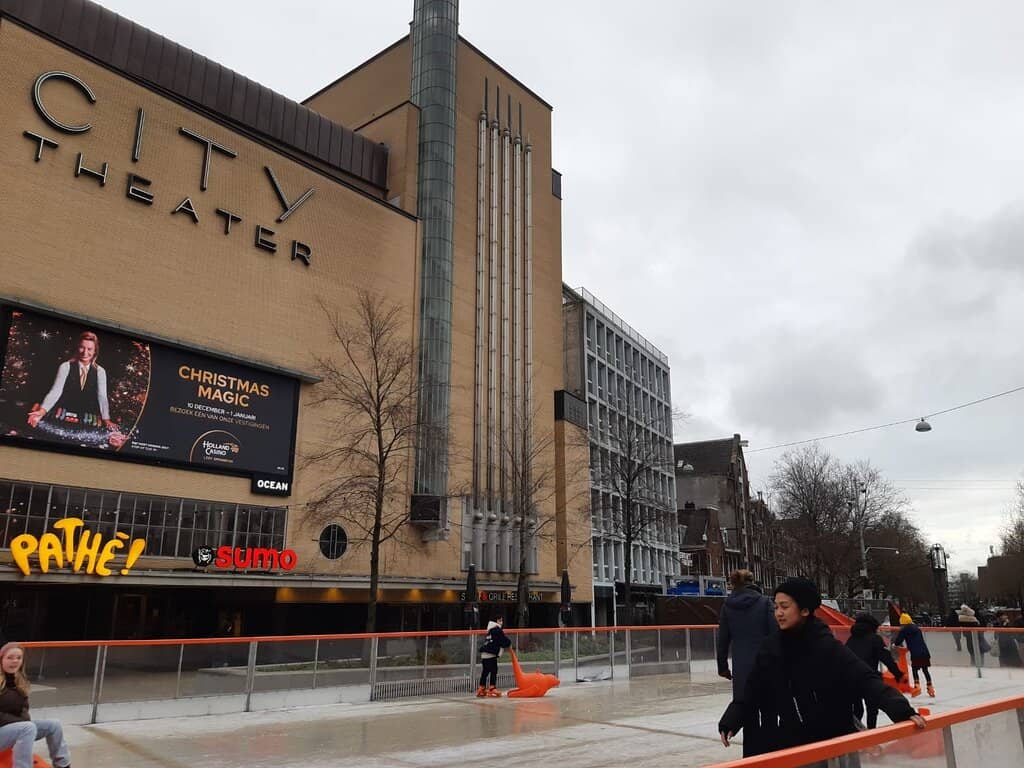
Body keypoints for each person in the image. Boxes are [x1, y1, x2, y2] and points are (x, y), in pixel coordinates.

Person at [718, 577, 924, 759]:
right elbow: (752, 689)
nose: (778, 613)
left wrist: (900, 710)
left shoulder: (825, 645)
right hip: (793, 741)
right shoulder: (771, 648)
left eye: (785, 607)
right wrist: (732, 719)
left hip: (834, 740)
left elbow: (864, 678)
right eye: (776, 607)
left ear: (805, 610)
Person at [26, 331, 123, 448]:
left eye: (89, 349)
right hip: (62, 411)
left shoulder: (100, 371)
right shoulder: (65, 366)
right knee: (35, 422)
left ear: (95, 351)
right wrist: (42, 411)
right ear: (77, 348)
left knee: (111, 436)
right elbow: (56, 391)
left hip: (86, 415)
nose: (85, 352)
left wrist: (106, 419)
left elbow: (102, 396)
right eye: (82, 347)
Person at [0, 642, 71, 768]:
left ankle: (62, 765)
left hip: (15, 729)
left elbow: (24, 710)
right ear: (1, 660)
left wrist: (22, 723)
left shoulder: (20, 681)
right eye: (10, 657)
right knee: (27, 727)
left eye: (18, 658)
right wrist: (21, 723)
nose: (15, 661)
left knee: (54, 725)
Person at [717, 569, 776, 706]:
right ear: (752, 582)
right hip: (765, 665)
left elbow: (722, 640)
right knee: (769, 711)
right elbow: (775, 633)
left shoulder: (727, 606)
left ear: (733, 584)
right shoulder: (765, 602)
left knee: (746, 710)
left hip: (741, 668)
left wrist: (723, 667)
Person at [845, 613, 905, 728]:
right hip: (868, 678)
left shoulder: (851, 639)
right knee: (872, 708)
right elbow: (886, 658)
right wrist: (898, 674)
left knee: (857, 709)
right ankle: (871, 732)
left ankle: (854, 733)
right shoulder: (875, 639)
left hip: (850, 678)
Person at [892, 613, 934, 698]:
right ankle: (930, 688)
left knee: (915, 669)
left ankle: (917, 686)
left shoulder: (904, 630)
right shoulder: (917, 628)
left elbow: (899, 640)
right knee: (925, 670)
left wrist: (894, 644)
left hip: (915, 653)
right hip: (924, 652)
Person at [477, 616, 511, 698]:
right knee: (494, 670)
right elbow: (504, 640)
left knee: (485, 671)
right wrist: (508, 643)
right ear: (497, 621)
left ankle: (481, 688)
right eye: (500, 620)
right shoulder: (497, 630)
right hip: (490, 654)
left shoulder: (490, 630)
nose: (501, 622)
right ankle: (492, 688)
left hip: (484, 654)